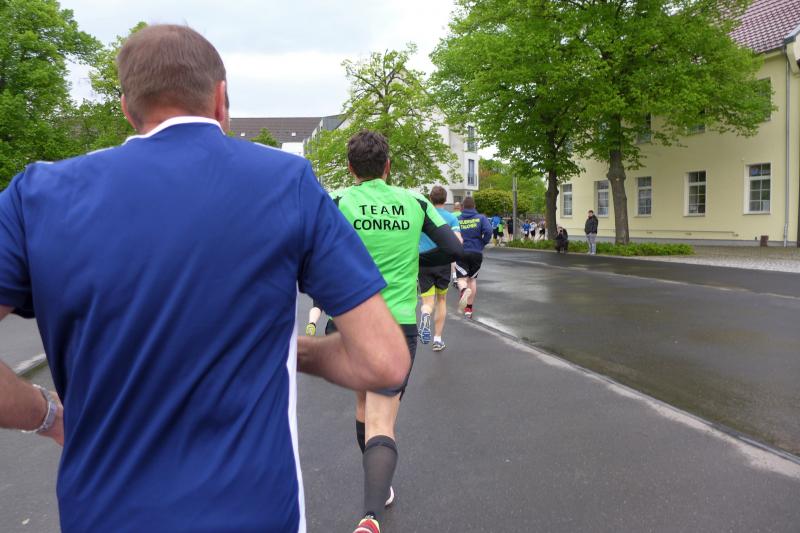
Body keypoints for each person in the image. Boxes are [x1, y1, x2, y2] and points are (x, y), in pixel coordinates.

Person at [0, 25, 411, 533]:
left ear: (128, 108)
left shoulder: (37, 195)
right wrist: (293, 351)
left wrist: (45, 414)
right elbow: (384, 361)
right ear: (220, 99)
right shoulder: (286, 182)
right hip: (256, 515)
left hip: (102, 516)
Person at [329, 131, 462, 533]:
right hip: (398, 324)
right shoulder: (414, 201)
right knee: (382, 420)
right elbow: (453, 248)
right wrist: (413, 257)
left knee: (363, 407)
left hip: (351, 322)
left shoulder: (338, 200)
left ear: (350, 168)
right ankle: (371, 513)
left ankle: (378, 490)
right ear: (388, 166)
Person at [418, 185, 463, 352]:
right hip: (443, 263)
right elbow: (458, 241)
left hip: (423, 262)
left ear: (430, 199)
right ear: (445, 200)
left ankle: (425, 313)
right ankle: (437, 339)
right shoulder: (451, 218)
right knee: (441, 300)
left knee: (427, 302)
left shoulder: (422, 216)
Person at [456, 197, 493, 318]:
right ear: (474, 206)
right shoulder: (481, 218)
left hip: (461, 251)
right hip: (476, 252)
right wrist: (482, 242)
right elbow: (488, 231)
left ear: (462, 207)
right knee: (472, 279)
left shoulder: (458, 219)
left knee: (462, 279)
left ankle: (463, 291)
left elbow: (452, 234)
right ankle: (469, 309)